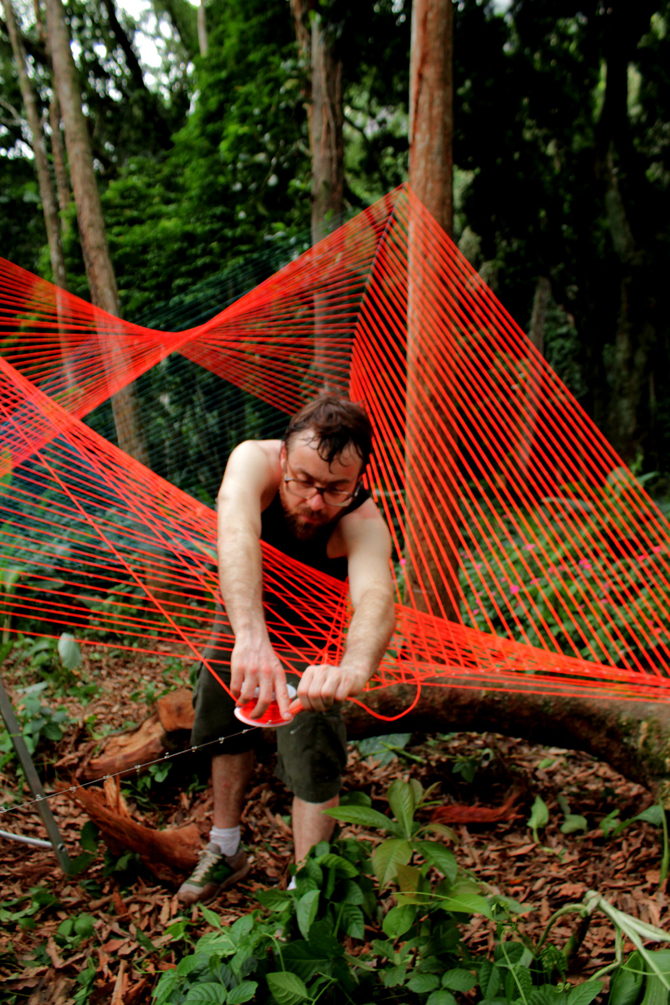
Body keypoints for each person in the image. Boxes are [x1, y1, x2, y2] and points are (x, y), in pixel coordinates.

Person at [178, 394, 395, 906]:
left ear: (358, 480)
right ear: (282, 458)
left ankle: (307, 887)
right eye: (303, 481)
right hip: (243, 612)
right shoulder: (253, 460)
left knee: (313, 752)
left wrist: (353, 667)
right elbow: (236, 532)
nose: (316, 502)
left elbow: (376, 596)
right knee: (224, 718)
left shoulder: (362, 518)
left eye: (335, 488)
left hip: (311, 637)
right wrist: (251, 637)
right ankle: (225, 848)